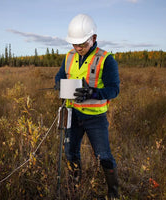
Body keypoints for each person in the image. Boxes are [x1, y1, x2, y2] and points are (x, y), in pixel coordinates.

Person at [55, 14, 120, 199]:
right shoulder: (69, 56)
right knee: (70, 152)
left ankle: (113, 194)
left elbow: (114, 90)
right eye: (74, 44)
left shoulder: (106, 60)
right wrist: (59, 85)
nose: (78, 48)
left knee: (103, 156)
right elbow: (59, 76)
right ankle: (74, 189)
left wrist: (92, 93)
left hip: (95, 118)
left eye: (82, 44)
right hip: (72, 115)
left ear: (94, 38)